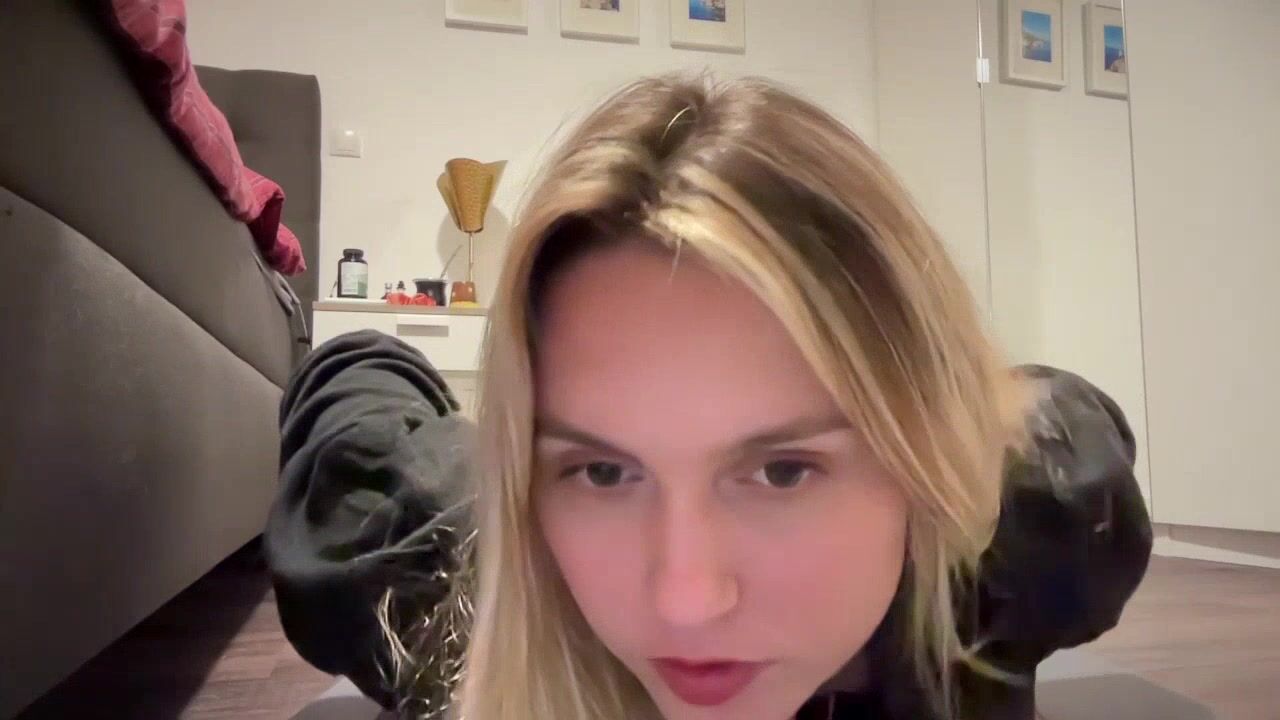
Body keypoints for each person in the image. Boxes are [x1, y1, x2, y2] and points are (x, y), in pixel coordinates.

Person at [265, 75, 1152, 720]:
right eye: (603, 471)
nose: (686, 600)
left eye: (784, 470)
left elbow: (1063, 414)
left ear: (930, 460)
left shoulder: (1043, 518)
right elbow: (347, 393)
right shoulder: (420, 586)